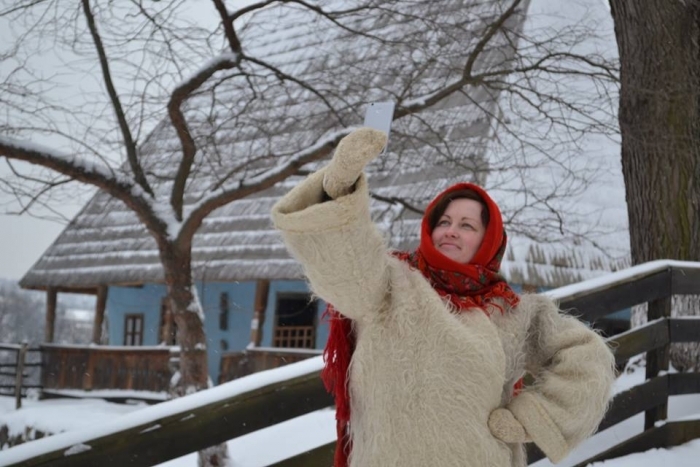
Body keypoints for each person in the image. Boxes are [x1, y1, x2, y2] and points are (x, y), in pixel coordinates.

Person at [271, 128, 615, 467]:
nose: (451, 229)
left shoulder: (514, 311)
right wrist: (340, 189)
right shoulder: (388, 283)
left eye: (467, 225)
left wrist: (535, 415)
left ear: (488, 239)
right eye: (445, 221)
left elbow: (588, 359)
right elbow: (347, 266)